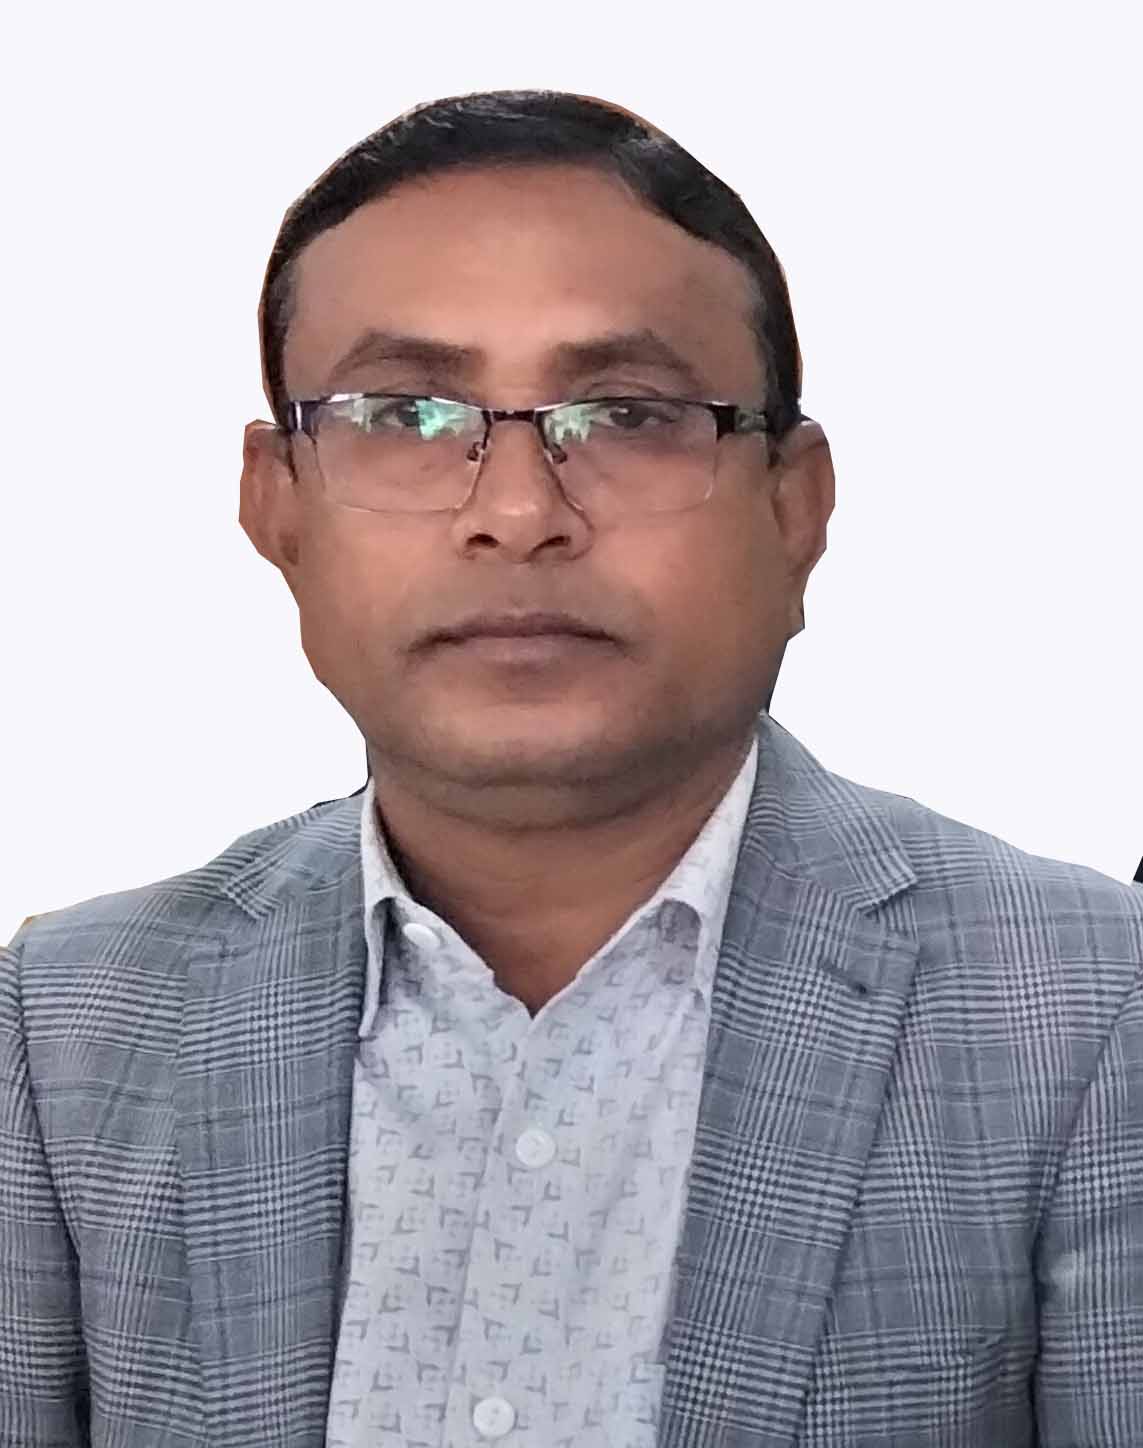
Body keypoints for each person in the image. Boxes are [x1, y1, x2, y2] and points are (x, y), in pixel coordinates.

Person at [2, 90, 1141, 1448]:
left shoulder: (1092, 1007)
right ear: (276, 503)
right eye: (407, 414)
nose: (518, 512)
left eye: (627, 415)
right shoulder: (63, 1025)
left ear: (797, 504)